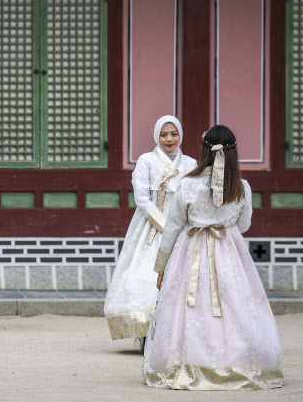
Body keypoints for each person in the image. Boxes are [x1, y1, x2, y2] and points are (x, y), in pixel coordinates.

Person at [143, 125, 284, 390]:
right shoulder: (241, 187)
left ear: (204, 150)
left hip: (191, 251)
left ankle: (189, 364)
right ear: (234, 152)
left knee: (192, 307)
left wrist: (161, 267)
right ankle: (235, 363)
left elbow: (172, 229)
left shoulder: (187, 184)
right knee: (233, 306)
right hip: (229, 253)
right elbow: (244, 226)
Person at [104, 115, 196, 350]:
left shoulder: (191, 164)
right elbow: (142, 198)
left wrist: (183, 226)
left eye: (174, 134)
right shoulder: (146, 160)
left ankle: (177, 334)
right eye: (164, 134)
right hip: (150, 227)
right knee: (144, 277)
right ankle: (147, 334)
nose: (169, 139)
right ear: (157, 136)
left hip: (182, 228)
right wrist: (164, 225)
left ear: (180, 136)